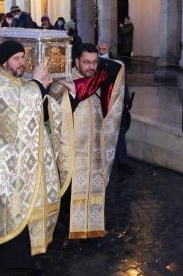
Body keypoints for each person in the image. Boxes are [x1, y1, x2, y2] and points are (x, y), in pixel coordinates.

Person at [0, 40, 63, 273]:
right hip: (6, 166)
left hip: (24, 163)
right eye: (16, 58)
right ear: (3, 62)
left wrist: (43, 91)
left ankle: (27, 257)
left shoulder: (21, 84)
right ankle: (15, 265)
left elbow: (37, 113)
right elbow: (18, 111)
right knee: (13, 211)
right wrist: (37, 83)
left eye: (23, 57)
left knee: (27, 210)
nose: (21, 63)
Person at [50, 43, 125, 241]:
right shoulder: (64, 81)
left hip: (94, 147)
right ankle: (68, 228)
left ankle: (91, 226)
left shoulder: (99, 79)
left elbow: (117, 69)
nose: (91, 66)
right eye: (86, 62)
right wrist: (74, 95)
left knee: (95, 188)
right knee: (69, 190)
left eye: (94, 62)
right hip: (73, 149)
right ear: (76, 61)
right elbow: (54, 112)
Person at [97, 37, 132, 168]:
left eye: (104, 49)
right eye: (99, 48)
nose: (101, 51)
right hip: (100, 100)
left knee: (119, 131)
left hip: (116, 101)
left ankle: (122, 161)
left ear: (109, 48)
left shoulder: (118, 63)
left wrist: (126, 102)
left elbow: (124, 83)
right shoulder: (94, 61)